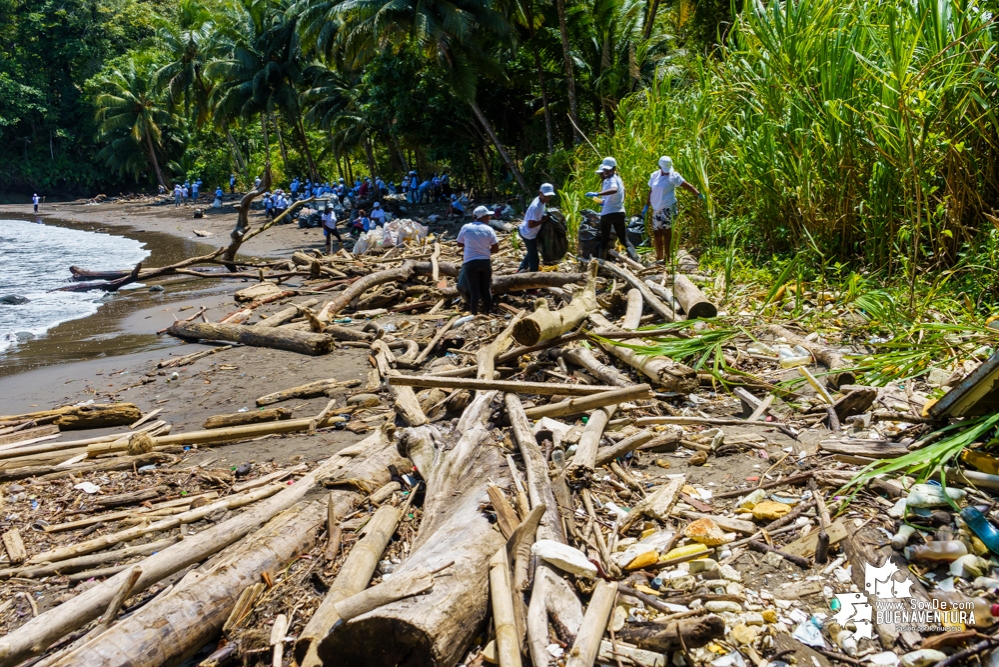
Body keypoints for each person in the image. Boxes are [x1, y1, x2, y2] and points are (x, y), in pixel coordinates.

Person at [644, 156, 702, 264]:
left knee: (667, 233)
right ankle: (659, 257)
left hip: (668, 208)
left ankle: (667, 259)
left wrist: (697, 193)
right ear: (659, 166)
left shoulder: (673, 176)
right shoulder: (654, 176)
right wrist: (647, 205)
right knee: (657, 234)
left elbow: (687, 185)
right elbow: (651, 191)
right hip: (656, 208)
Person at [586, 156, 638, 261]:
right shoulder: (617, 179)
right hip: (619, 212)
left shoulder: (612, 180)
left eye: (609, 169)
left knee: (604, 240)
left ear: (614, 169)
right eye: (605, 169)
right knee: (623, 239)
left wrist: (598, 193)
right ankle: (636, 259)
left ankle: (601, 263)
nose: (606, 172)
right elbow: (621, 192)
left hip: (608, 214)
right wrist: (604, 202)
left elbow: (614, 189)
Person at [457, 206, 500, 315]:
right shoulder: (488, 229)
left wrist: (471, 244)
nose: (489, 218)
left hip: (470, 263)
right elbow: (496, 248)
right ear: (483, 217)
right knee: (486, 288)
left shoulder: (466, 227)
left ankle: (474, 314)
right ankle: (488, 312)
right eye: (488, 216)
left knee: (474, 290)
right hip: (485, 262)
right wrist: (485, 250)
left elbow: (459, 243)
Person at [519, 183, 556, 273]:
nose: (548, 198)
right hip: (528, 233)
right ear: (540, 193)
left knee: (531, 252)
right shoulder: (535, 207)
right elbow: (530, 225)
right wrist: (544, 220)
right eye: (546, 196)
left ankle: (521, 269)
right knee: (535, 260)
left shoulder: (542, 201)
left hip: (532, 233)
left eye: (549, 196)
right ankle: (532, 282)